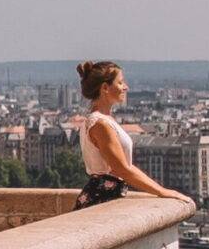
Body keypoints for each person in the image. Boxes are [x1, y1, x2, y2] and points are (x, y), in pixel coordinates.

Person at [73, 60, 185, 207]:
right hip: (103, 197)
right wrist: (161, 191)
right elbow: (122, 169)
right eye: (120, 82)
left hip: (101, 194)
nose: (126, 87)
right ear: (105, 88)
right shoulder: (101, 124)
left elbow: (122, 167)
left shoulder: (98, 120)